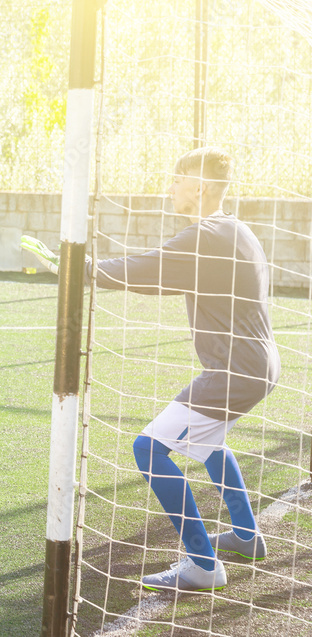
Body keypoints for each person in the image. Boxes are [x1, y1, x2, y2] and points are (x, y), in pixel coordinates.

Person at [24, 146, 280, 591]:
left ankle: (203, 564)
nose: (171, 187)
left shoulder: (206, 235)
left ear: (198, 186)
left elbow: (146, 268)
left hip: (233, 370)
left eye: (177, 178)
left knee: (149, 448)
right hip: (258, 363)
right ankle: (245, 535)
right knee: (208, 442)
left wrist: (76, 268)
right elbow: (161, 278)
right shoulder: (234, 229)